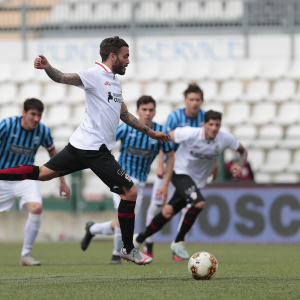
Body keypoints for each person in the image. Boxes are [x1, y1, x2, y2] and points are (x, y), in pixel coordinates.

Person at [0, 36, 170, 266]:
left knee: (42, 173)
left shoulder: (114, 81)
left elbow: (124, 115)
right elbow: (62, 77)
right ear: (112, 56)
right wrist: (47, 67)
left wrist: (151, 133)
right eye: (125, 56)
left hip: (81, 144)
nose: (128, 61)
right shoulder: (95, 74)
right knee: (130, 193)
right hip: (93, 150)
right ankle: (128, 248)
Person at [134, 110, 248, 260]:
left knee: (168, 212)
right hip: (179, 171)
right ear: (204, 124)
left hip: (196, 181)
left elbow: (243, 151)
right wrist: (161, 162)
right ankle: (179, 241)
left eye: (217, 125)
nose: (214, 128)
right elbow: (166, 139)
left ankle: (138, 239)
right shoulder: (189, 133)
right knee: (199, 202)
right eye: (211, 124)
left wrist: (240, 165)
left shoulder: (224, 138)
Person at [80, 95, 175, 264]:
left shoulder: (160, 131)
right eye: (144, 109)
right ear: (137, 111)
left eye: (150, 110)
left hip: (140, 183)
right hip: (121, 178)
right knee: (123, 217)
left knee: (124, 222)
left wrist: (165, 183)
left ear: (155, 112)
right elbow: (105, 143)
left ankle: (93, 228)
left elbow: (170, 155)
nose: (147, 113)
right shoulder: (126, 129)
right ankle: (116, 255)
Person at [144, 83, 212, 260]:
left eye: (198, 99)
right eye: (191, 99)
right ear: (185, 100)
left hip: (188, 174)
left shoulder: (205, 119)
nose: (195, 103)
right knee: (157, 204)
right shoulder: (175, 116)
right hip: (169, 168)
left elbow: (211, 145)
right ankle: (148, 244)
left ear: (202, 101)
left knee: (187, 207)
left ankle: (178, 247)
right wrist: (160, 164)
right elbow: (164, 140)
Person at [0, 98, 70, 266]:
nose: (36, 119)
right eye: (33, 114)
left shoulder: (43, 131)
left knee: (37, 207)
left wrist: (62, 181)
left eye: (39, 115)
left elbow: (55, 156)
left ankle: (26, 255)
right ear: (24, 113)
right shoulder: (7, 125)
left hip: (25, 178)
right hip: (3, 176)